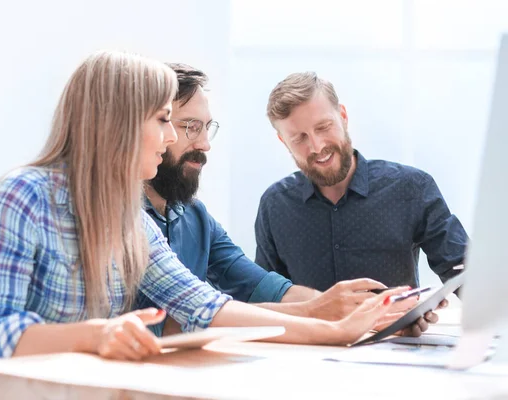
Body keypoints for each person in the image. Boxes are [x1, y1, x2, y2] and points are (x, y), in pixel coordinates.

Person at [0, 52, 406, 400]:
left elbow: (205, 306)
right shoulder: (24, 196)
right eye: (164, 119)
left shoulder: (130, 219)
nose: (171, 137)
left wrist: (331, 331)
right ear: (120, 122)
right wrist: (99, 334)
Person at [140, 63, 428, 336]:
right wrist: (323, 317)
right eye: (189, 127)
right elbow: (188, 317)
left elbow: (264, 287)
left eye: (206, 128)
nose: (205, 144)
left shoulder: (196, 218)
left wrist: (360, 312)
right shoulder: (124, 219)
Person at [255, 71, 467, 294]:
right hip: (313, 330)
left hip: (396, 329)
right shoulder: (275, 206)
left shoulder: (412, 188)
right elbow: (265, 298)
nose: (317, 147)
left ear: (343, 117)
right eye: (300, 138)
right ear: (284, 142)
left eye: (323, 127)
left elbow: (464, 273)